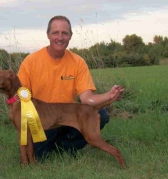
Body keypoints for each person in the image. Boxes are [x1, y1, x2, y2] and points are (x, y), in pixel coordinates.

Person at [17, 15, 124, 160]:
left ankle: (66, 147)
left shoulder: (78, 62)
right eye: (55, 32)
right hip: (43, 121)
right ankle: (50, 145)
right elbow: (21, 98)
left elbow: (87, 99)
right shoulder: (31, 61)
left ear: (70, 36)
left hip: (70, 117)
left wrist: (108, 95)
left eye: (64, 33)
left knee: (101, 115)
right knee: (39, 157)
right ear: (48, 35)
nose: (60, 37)